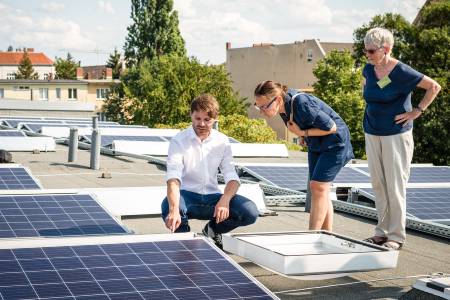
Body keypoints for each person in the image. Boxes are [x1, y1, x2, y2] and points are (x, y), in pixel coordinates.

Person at [362, 28, 441, 250]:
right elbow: (368, 90)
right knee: (378, 184)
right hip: (372, 131)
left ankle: (396, 236)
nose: (367, 55)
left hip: (396, 135)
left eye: (370, 51)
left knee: (395, 185)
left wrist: (417, 111)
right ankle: (381, 232)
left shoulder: (402, 71)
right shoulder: (368, 69)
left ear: (386, 49)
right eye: (365, 50)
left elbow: (434, 87)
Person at [254, 80, 354, 231]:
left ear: (278, 99)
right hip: (317, 143)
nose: (262, 111)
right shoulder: (282, 109)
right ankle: (327, 234)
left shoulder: (301, 102)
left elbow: (331, 127)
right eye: (258, 107)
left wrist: (302, 133)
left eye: (264, 106)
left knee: (318, 187)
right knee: (321, 190)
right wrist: (303, 136)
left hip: (335, 143)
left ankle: (312, 235)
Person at [161, 94, 259, 248]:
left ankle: (212, 230)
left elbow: (231, 176)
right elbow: (173, 177)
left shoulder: (222, 141)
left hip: (213, 199)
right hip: (187, 198)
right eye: (197, 118)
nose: (201, 123)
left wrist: (225, 199)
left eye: (207, 120)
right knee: (168, 206)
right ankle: (185, 241)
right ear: (191, 115)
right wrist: (174, 210)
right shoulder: (178, 141)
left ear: (214, 119)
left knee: (250, 211)